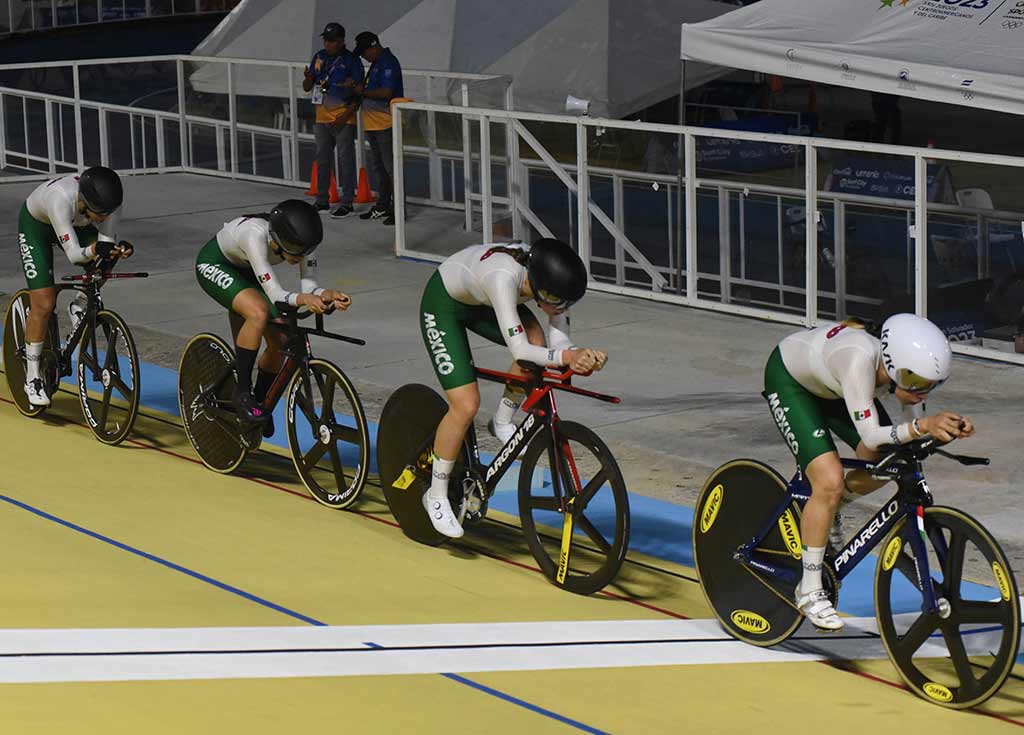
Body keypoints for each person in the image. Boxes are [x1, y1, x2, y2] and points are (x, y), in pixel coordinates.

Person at [763, 314, 973, 631]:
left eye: (932, 385)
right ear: (891, 363)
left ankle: (830, 509)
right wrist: (923, 426)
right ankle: (808, 589)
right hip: (792, 383)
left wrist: (944, 428)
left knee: (889, 459)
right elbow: (874, 433)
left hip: (835, 388)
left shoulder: (900, 370)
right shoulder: (858, 359)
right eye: (916, 382)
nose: (923, 392)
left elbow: (908, 428)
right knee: (829, 480)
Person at [418, 238, 608, 538]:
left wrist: (578, 355)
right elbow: (520, 352)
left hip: (482, 302)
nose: (561, 310)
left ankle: (502, 421)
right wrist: (566, 357)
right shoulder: (503, 277)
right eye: (559, 303)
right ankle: (437, 495)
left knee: (539, 344)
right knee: (466, 404)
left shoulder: (545, 277)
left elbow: (557, 343)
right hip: (445, 304)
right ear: (541, 290)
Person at [194, 199, 352, 435]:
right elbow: (276, 294)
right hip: (217, 265)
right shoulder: (253, 234)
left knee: (281, 340)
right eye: (293, 248)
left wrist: (324, 294)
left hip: (250, 270)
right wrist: (304, 299)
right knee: (258, 312)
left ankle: (259, 403)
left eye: (304, 251)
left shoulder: (304, 243)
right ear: (278, 238)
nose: (299, 256)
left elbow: (309, 289)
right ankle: (243, 394)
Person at [17, 166, 134, 406]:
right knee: (44, 302)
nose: (104, 219)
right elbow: (75, 256)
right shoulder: (60, 199)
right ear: (84, 200)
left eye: (108, 213)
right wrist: (94, 249)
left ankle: (80, 305)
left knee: (106, 259)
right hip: (37, 227)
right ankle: (32, 378)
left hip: (74, 226)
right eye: (99, 214)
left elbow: (104, 244)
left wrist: (114, 250)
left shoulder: (109, 205)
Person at [303, 22, 364, 219]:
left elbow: (358, 92)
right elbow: (307, 87)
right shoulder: (319, 56)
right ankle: (322, 200)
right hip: (321, 116)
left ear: (340, 41)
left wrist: (345, 116)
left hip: (343, 117)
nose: (326, 44)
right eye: (325, 40)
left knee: (345, 160)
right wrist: (308, 78)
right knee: (322, 159)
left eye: (330, 40)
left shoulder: (351, 60)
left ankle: (347, 201)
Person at [350, 31, 403, 226]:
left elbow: (386, 92)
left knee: (391, 169)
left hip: (385, 123)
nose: (363, 57)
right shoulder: (376, 64)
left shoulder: (388, 63)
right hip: (372, 123)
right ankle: (383, 205)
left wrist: (362, 91)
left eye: (364, 53)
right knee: (379, 168)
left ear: (373, 47)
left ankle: (398, 210)